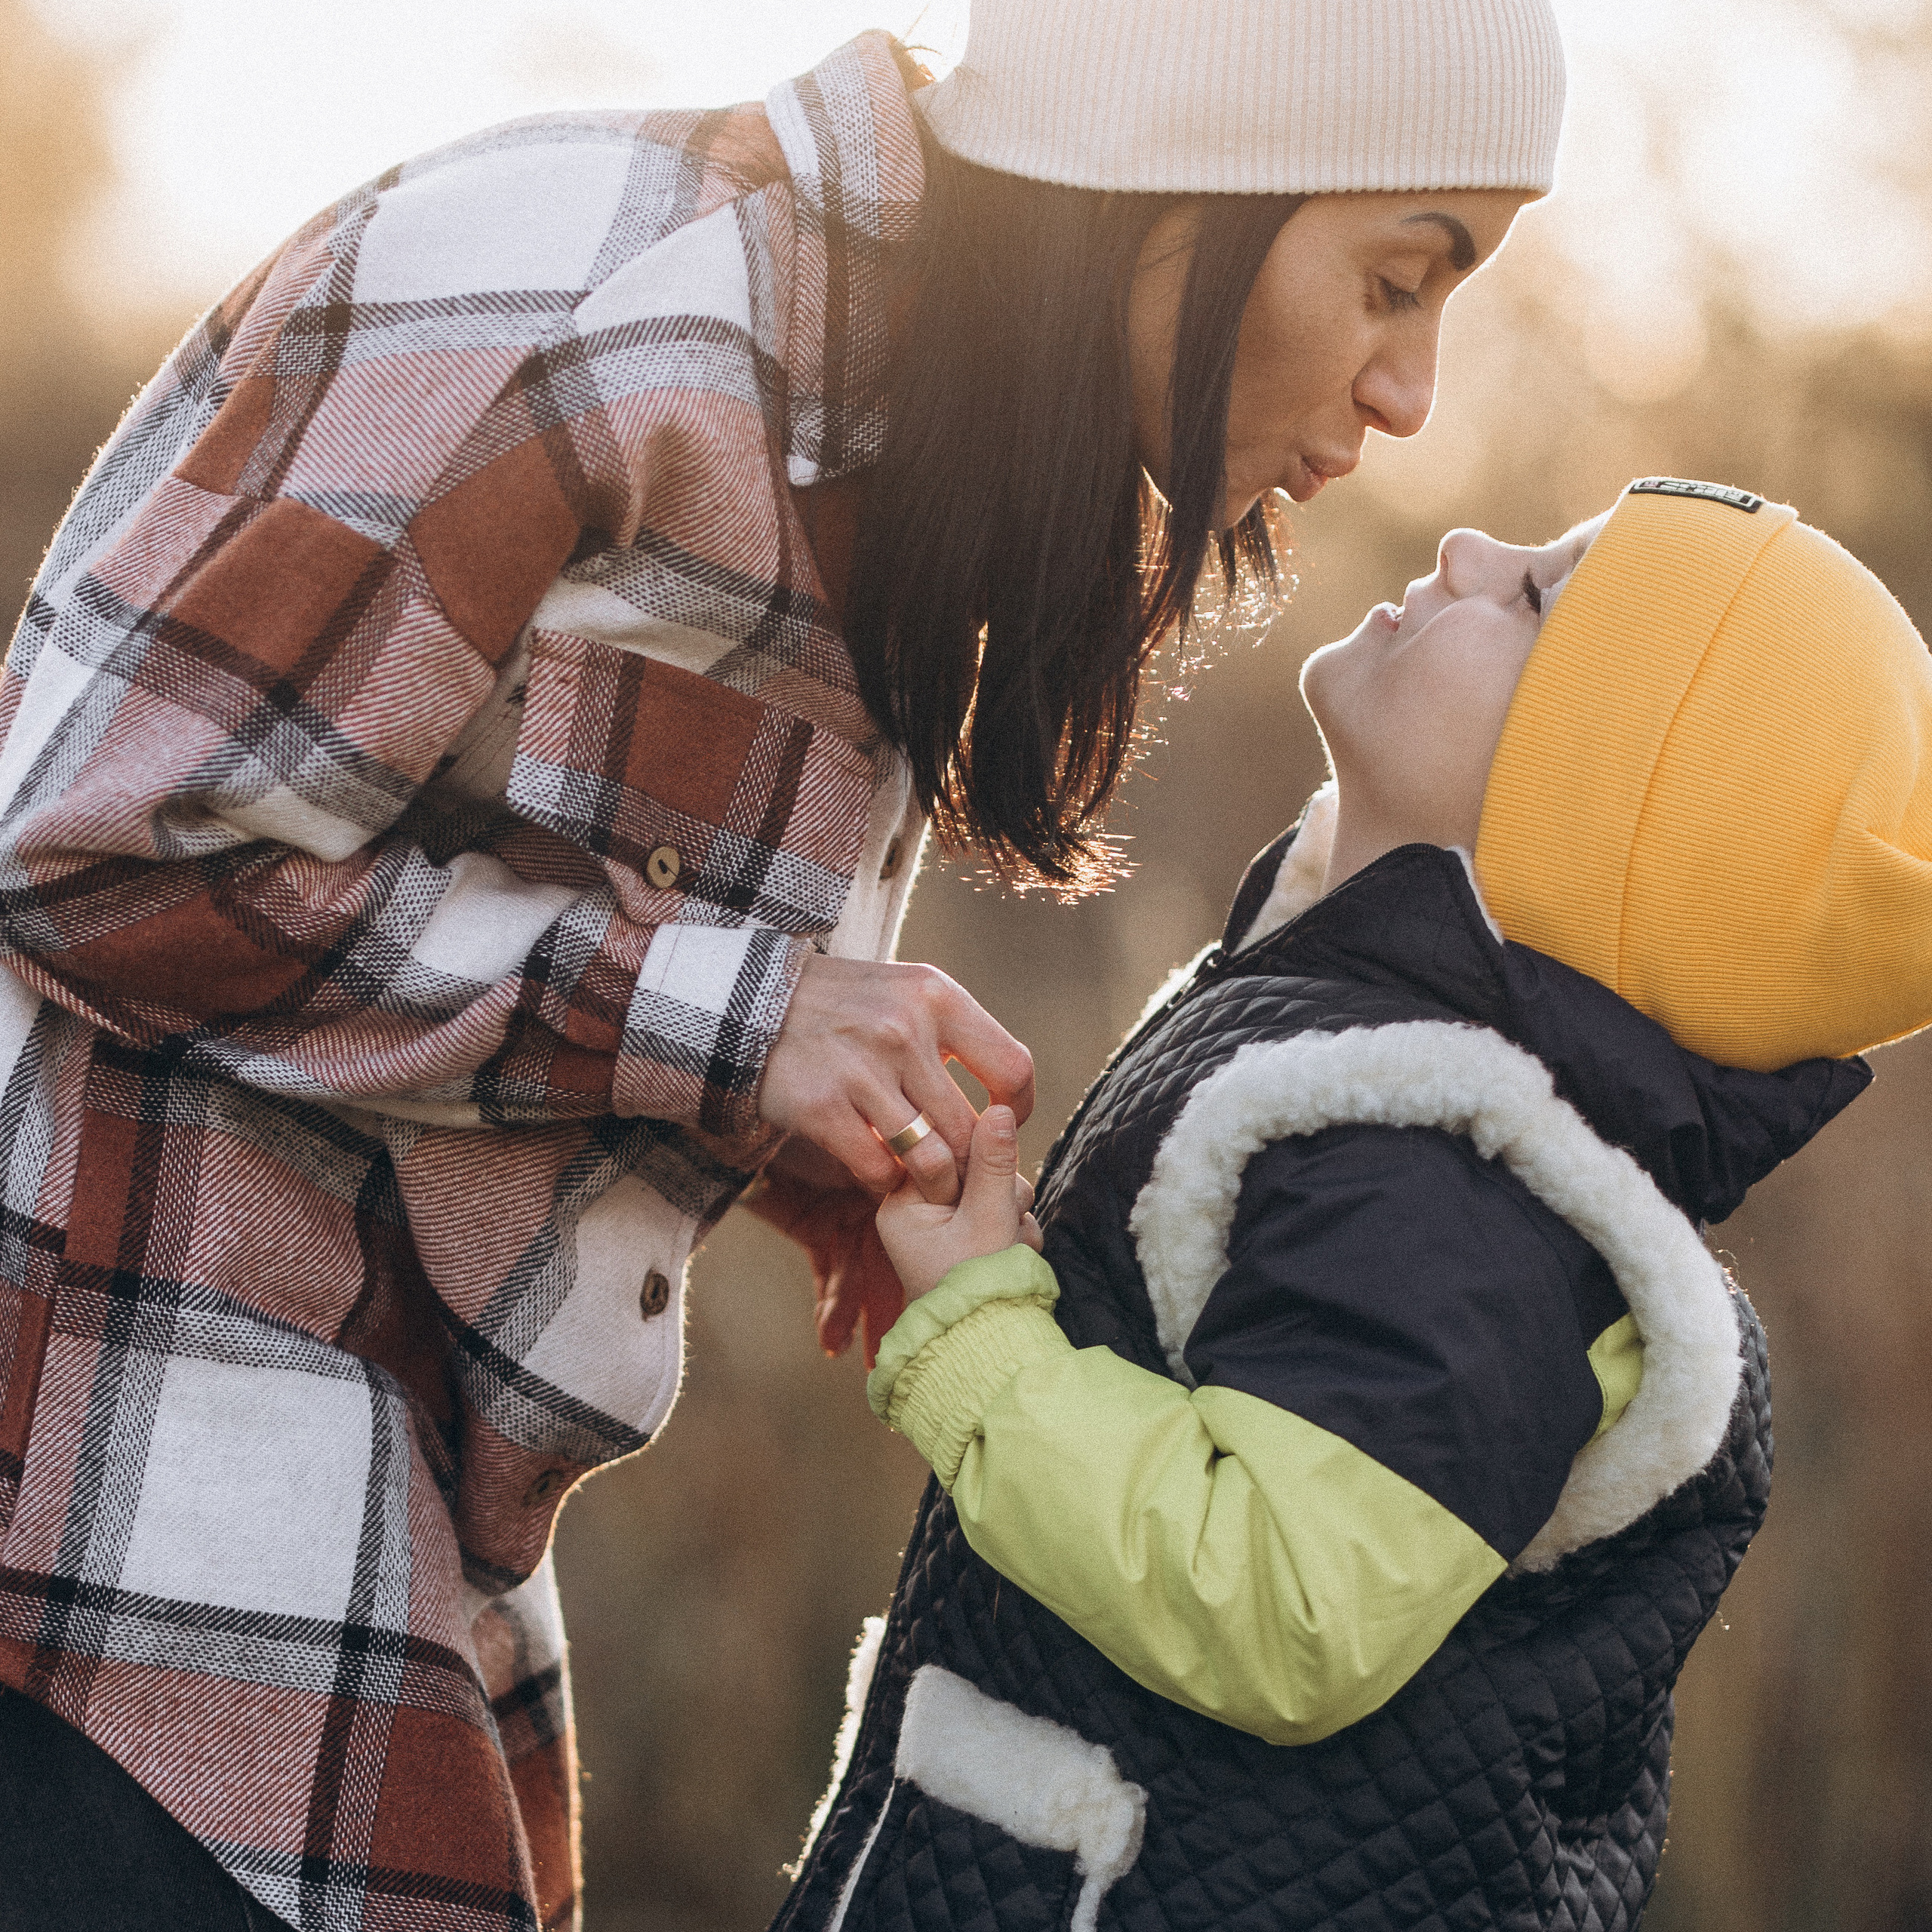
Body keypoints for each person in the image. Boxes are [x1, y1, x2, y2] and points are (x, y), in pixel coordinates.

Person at [0, 2, 1567, 1926]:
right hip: (91, 1456)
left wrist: (755, 1108)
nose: (1410, 388)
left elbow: (452, 886)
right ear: (1186, 170)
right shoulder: (600, 295)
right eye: (1397, 278)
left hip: (369, 1498)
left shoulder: (908, 437)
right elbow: (89, 849)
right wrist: (730, 1025)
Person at [781, 476, 1932, 1931]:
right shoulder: (1363, 1071)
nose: (1467, 546)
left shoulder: (1458, 1196)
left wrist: (977, 1343)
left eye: (1534, 596)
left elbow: (1281, 1608)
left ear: (1588, 820)